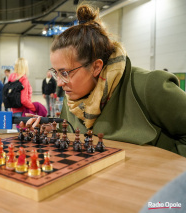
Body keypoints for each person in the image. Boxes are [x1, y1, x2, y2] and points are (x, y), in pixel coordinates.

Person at [26, 4, 186, 157]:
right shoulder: (73, 101)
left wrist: (166, 170)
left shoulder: (149, 87)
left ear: (96, 67)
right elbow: (76, 135)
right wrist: (52, 130)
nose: (60, 83)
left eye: (65, 73)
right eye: (56, 73)